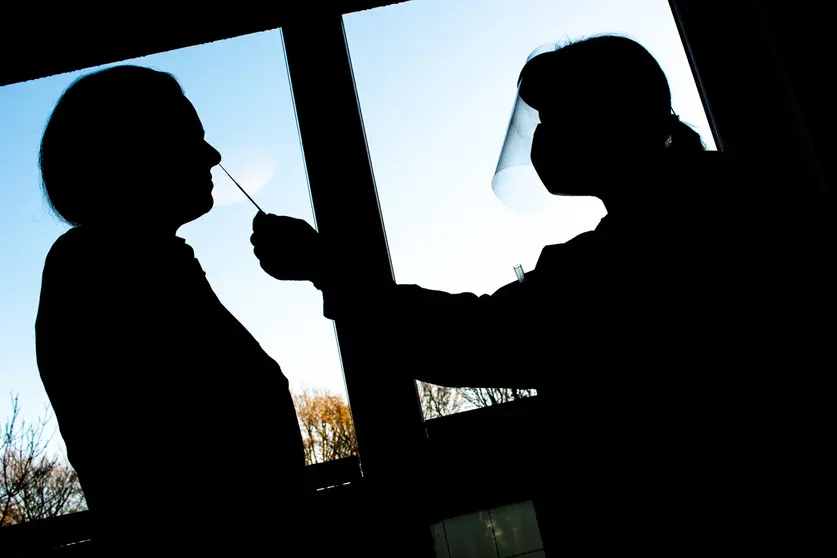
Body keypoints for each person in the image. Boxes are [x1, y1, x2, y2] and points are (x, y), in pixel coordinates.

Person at [251, 36, 829, 554]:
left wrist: (325, 267)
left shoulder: (644, 248)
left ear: (610, 119)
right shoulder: (721, 199)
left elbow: (478, 340)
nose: (542, 138)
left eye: (557, 116)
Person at [35, 65, 306, 555]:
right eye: (191, 138)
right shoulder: (102, 268)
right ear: (134, 151)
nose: (213, 155)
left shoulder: (131, 262)